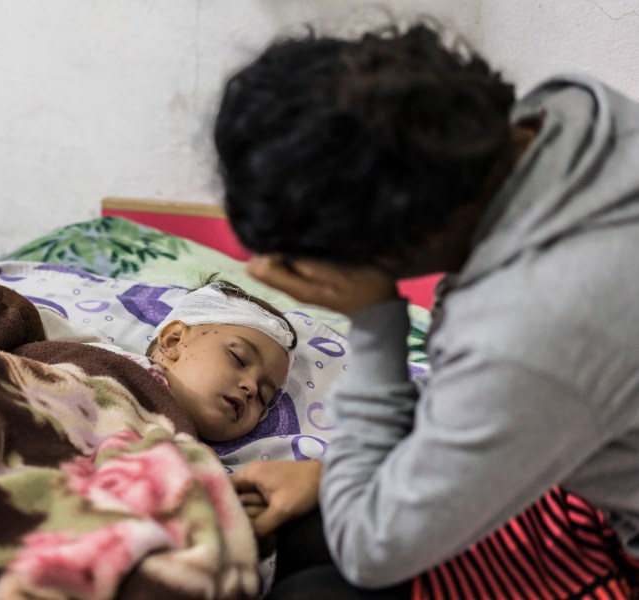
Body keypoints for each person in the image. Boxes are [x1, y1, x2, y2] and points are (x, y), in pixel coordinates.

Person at [214, 20, 639, 597]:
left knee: (314, 585)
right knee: (312, 534)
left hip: (609, 539)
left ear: (383, 245)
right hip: (586, 460)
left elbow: (372, 551)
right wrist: (329, 474)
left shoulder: (537, 321)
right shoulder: (571, 112)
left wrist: (374, 317)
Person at [100, 276, 297, 442]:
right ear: (173, 341)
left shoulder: (199, 463)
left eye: (264, 397)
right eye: (239, 358)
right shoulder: (103, 361)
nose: (252, 388)